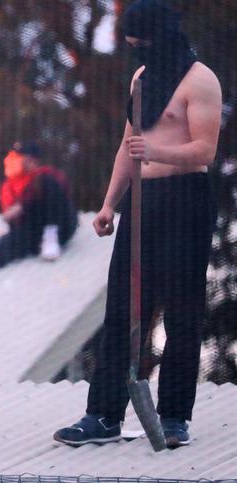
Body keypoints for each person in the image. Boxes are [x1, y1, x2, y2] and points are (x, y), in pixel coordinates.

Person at [53, 0, 221, 449]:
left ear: (162, 36)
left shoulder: (201, 80)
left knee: (183, 312)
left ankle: (173, 419)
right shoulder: (141, 78)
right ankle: (103, 416)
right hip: (142, 205)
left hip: (186, 200)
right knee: (124, 309)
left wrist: (158, 153)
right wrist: (109, 203)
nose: (137, 53)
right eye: (130, 46)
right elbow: (129, 145)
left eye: (142, 44)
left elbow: (204, 151)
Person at [0, 142, 78, 276]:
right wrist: (11, 215)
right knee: (11, 238)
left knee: (46, 184)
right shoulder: (9, 186)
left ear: (30, 160)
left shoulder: (46, 174)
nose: (9, 161)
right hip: (34, 232)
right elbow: (11, 216)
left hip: (61, 225)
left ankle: (51, 236)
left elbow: (63, 192)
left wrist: (23, 205)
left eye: (16, 158)